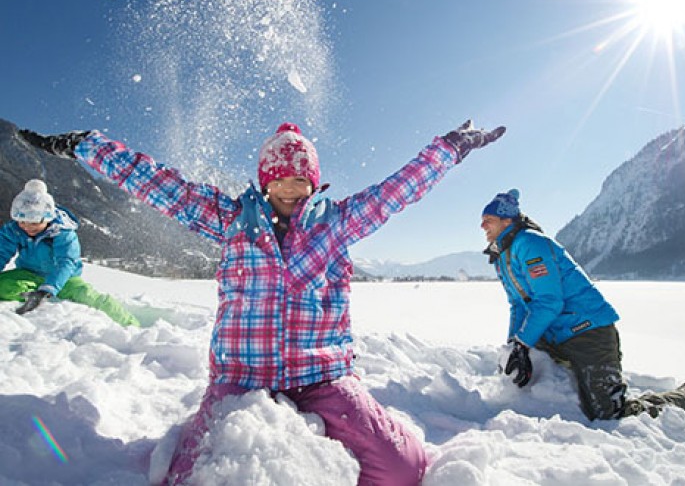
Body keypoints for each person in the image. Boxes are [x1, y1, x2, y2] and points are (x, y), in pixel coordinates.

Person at [18, 119, 506, 485]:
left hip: (322, 378)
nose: (291, 194)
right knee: (189, 478)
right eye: (281, 183)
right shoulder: (229, 219)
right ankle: (196, 434)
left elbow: (400, 189)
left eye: (301, 184)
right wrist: (86, 144)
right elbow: (156, 184)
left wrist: (451, 147)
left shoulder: (336, 223)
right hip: (242, 379)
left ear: (314, 184)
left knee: (404, 469)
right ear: (264, 182)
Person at [480, 188, 685, 420]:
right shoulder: (502, 255)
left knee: (607, 412)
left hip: (588, 331)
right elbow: (518, 306)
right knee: (525, 376)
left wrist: (523, 343)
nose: (482, 227)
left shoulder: (530, 244)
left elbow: (550, 300)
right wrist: (514, 346)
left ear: (507, 220)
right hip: (555, 334)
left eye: (488, 220)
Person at [0, 179, 140, 327]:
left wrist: (48, 289)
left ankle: (131, 324)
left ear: (47, 217)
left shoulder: (62, 232)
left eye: (34, 223)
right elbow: (1, 253)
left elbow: (67, 261)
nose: (27, 227)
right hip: (27, 273)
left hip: (66, 279)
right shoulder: (14, 230)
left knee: (89, 297)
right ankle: (32, 293)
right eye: (22, 222)